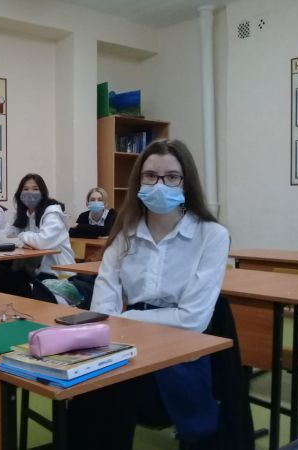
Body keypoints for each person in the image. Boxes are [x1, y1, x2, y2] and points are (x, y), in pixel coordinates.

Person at [67, 139, 230, 449]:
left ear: (186, 182)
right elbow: (102, 306)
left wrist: (126, 318)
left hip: (181, 354)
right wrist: (121, 325)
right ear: (138, 181)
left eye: (172, 177)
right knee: (88, 387)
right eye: (150, 176)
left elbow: (192, 320)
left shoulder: (212, 236)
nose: (160, 185)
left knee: (109, 391)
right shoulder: (125, 233)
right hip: (126, 344)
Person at [0, 173, 75, 295]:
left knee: (20, 289)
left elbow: (42, 242)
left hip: (58, 273)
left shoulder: (52, 213)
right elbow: (1, 237)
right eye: (25, 189)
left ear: (43, 193)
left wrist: (22, 236)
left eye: (35, 189)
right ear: (19, 194)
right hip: (33, 271)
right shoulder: (21, 215)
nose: (30, 193)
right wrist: (19, 243)